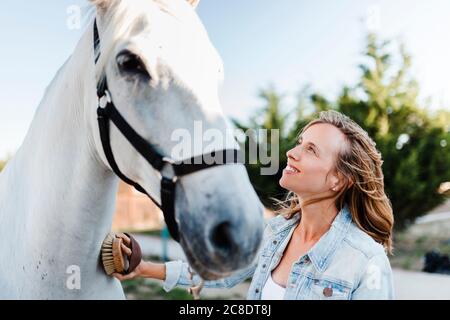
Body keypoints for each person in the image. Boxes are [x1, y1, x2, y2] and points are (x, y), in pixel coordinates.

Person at [113, 110, 395, 300]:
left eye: (310, 150)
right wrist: (143, 268)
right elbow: (221, 272)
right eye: (300, 143)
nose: (291, 153)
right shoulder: (274, 234)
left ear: (339, 179)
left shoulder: (366, 261)